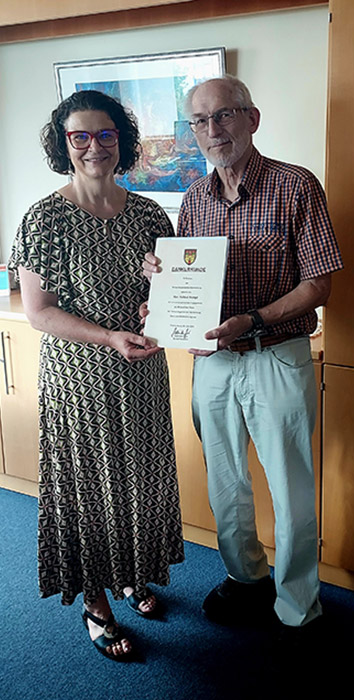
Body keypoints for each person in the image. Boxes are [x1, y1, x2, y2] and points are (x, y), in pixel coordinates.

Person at [144, 75, 342, 634]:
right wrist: (160, 289)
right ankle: (245, 576)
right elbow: (189, 284)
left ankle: (298, 604)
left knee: (291, 486)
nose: (213, 130)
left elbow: (319, 285)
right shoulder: (193, 199)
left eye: (224, 115)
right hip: (213, 362)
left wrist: (252, 320)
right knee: (225, 482)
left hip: (277, 355)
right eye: (200, 121)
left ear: (252, 119)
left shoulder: (295, 186)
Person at [9, 90, 183, 661]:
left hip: (141, 375)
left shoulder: (151, 214)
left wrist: (159, 292)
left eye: (105, 135)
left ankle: (132, 576)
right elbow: (39, 312)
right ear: (63, 144)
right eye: (79, 136)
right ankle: (97, 602)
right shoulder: (45, 218)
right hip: (80, 376)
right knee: (89, 488)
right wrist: (108, 336)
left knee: (138, 480)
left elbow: (166, 298)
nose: (93, 147)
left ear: (122, 141)